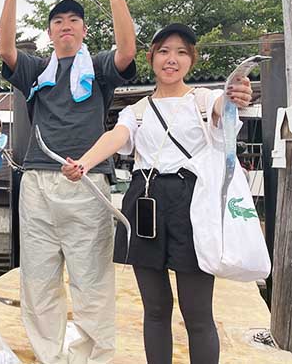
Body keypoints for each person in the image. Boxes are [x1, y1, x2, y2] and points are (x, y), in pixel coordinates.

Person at [62, 23, 252, 364]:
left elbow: (227, 104)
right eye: (164, 51)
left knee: (197, 312)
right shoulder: (136, 110)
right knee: (155, 308)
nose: (171, 59)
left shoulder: (205, 100)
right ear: (151, 58)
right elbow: (117, 137)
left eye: (181, 52)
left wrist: (236, 94)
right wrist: (85, 163)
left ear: (191, 60)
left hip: (192, 205)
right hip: (145, 203)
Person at [0, 0, 137, 364]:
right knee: (37, 281)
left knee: (91, 281)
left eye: (73, 20)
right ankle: (49, 356)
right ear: (50, 32)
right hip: (37, 183)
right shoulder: (35, 70)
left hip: (88, 183)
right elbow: (5, 48)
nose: (66, 26)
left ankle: (92, 359)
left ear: (83, 29)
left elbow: (127, 51)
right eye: (58, 21)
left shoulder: (97, 68)